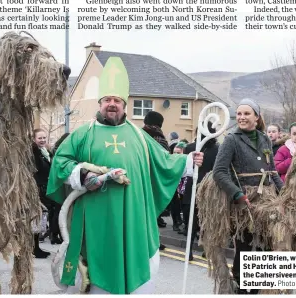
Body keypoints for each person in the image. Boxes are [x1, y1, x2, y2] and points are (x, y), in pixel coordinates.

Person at [46, 57, 203, 294]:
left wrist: (189, 161)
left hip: (134, 219)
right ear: (100, 103)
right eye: (107, 99)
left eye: (117, 100)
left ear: (124, 104)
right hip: (95, 219)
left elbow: (164, 162)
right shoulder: (81, 135)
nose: (112, 104)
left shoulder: (140, 137)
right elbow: (60, 163)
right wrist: (84, 174)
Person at [212, 98, 283, 294]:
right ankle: (241, 288)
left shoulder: (265, 139)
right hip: (244, 202)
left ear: (256, 117)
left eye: (246, 113)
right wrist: (237, 194)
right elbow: (219, 172)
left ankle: (257, 289)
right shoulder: (231, 139)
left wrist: (285, 194)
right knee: (244, 246)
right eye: (239, 114)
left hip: (267, 200)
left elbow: (272, 171)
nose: (241, 117)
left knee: (266, 245)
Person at [181, 122, 220, 261]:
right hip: (209, 187)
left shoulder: (190, 148)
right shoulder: (217, 149)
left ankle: (189, 250)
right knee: (207, 220)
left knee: (191, 219)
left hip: (194, 185)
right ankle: (206, 250)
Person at [32, 129, 59, 259]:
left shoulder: (46, 152)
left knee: (42, 219)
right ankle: (34, 248)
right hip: (38, 189)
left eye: (44, 138)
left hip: (45, 188)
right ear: (34, 139)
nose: (42, 140)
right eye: (39, 138)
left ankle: (36, 246)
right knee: (37, 218)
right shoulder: (34, 152)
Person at [142, 111, 170, 232]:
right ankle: (154, 241)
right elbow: (166, 161)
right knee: (152, 212)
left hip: (138, 177)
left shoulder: (138, 135)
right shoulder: (160, 138)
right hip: (153, 180)